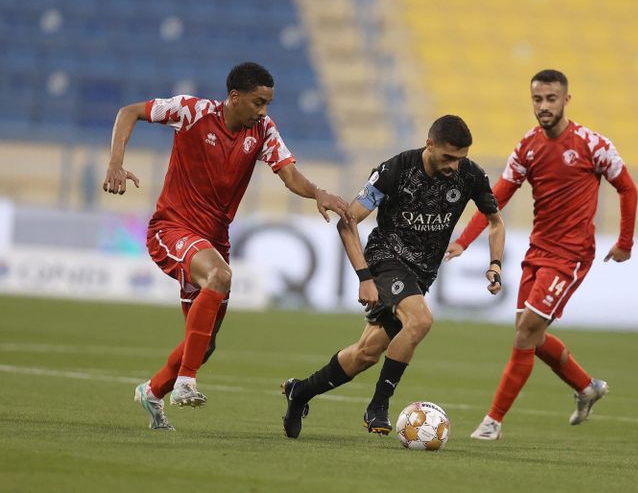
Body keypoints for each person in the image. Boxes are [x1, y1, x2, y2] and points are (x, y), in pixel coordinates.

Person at [102, 62, 350, 431]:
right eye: (258, 102)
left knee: (205, 344)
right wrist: (116, 163)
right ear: (234, 98)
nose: (264, 111)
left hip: (213, 240)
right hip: (171, 228)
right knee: (220, 276)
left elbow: (289, 174)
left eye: (267, 103)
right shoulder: (191, 111)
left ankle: (152, 392)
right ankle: (185, 382)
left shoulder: (263, 130)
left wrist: (318, 192)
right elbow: (130, 111)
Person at [280, 115, 505, 439]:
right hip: (386, 259)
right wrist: (364, 276)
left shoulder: (470, 176)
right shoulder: (395, 170)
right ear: (430, 145)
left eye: (461, 159)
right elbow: (348, 222)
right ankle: (378, 405)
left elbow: (495, 222)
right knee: (421, 320)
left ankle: (300, 391)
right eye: (448, 157)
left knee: (366, 353)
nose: (454, 166)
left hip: (421, 273)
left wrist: (495, 264)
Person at [444, 69, 638, 440]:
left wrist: (625, 241)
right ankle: (586, 387)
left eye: (551, 99)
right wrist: (464, 240)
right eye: (537, 99)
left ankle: (493, 421)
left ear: (566, 100)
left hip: (571, 255)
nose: (544, 106)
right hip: (538, 252)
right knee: (528, 334)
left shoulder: (591, 144)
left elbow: (626, 188)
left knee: (525, 334)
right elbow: (497, 195)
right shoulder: (527, 147)